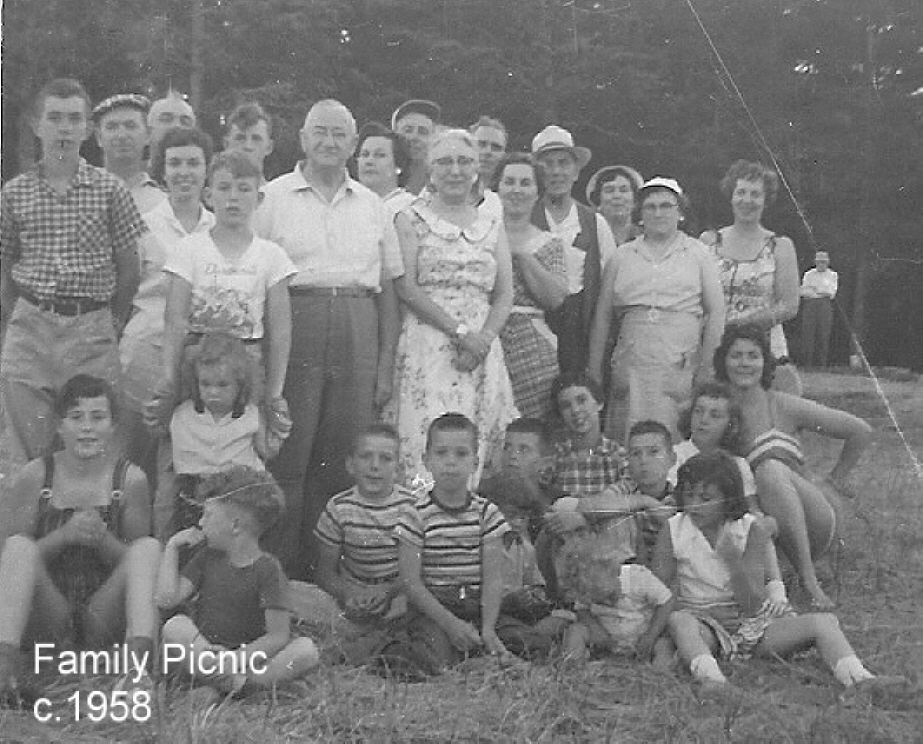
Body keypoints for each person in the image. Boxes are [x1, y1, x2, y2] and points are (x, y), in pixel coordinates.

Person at [254, 99, 403, 579]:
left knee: (342, 457)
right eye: (320, 132)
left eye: (340, 134)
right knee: (289, 454)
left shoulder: (373, 205)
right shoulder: (271, 197)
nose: (329, 142)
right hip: (296, 321)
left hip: (358, 324)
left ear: (354, 144)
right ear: (301, 138)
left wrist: (383, 365)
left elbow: (389, 291)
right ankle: (280, 575)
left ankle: (331, 576)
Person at [653, 452, 907, 697]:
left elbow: (751, 603)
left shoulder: (746, 528)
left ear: (728, 500)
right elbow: (660, 589)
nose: (695, 505)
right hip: (705, 626)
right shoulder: (675, 530)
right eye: (689, 496)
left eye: (706, 498)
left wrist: (735, 559)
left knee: (824, 622)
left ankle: (859, 679)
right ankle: (713, 681)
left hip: (750, 623)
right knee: (679, 621)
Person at [0, 78, 143, 465]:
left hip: (90, 328)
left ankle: (94, 525)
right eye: (55, 118)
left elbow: (130, 267)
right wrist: (14, 322)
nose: (64, 128)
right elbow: (5, 266)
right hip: (31, 328)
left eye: (74, 119)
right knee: (25, 449)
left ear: (86, 129)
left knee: (95, 443)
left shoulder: (110, 189)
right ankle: (28, 526)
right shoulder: (14, 193)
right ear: (37, 125)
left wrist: (110, 319)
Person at [0, 375, 160, 704]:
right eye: (76, 417)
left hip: (101, 614)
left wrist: (104, 541)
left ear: (114, 426)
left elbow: (136, 571)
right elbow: (15, 563)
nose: (87, 427)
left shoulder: (130, 480)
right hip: (50, 613)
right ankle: (5, 668)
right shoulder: (35, 475)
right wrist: (62, 536)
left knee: (147, 548)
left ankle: (137, 671)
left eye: (97, 417)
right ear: (59, 426)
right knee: (18, 545)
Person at [387, 128, 517, 486]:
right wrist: (459, 333)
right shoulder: (410, 218)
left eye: (464, 161)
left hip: (481, 349)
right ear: (430, 168)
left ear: (476, 168)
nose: (455, 170)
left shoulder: (491, 222)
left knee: (476, 440)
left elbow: (505, 293)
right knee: (427, 437)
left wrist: (483, 338)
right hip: (430, 344)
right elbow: (406, 286)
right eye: (445, 162)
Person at [714, 324, 869, 610]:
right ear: (723, 360)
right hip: (760, 532)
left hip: (811, 522)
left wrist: (835, 480)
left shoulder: (784, 405)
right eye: (736, 355)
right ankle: (776, 578)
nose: (745, 363)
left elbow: (859, 430)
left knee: (769, 470)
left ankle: (808, 580)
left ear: (766, 362)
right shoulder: (716, 410)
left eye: (753, 355)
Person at [156, 150, 296, 433]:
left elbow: (281, 331)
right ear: (208, 195)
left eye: (244, 189)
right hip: (197, 362)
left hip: (247, 362)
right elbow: (174, 320)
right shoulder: (189, 249)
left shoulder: (272, 256)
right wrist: (169, 380)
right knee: (189, 440)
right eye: (224, 188)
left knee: (241, 443)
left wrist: (274, 392)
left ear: (258, 199)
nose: (233, 197)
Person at [158, 467, 319, 694]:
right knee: (175, 626)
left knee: (306, 651)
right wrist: (172, 548)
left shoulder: (268, 570)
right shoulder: (206, 558)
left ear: (235, 525)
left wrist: (234, 660)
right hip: (206, 654)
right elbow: (167, 600)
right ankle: (241, 688)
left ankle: (239, 685)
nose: (201, 523)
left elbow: (277, 635)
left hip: (246, 659)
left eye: (208, 515)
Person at [588, 177, 725, 442]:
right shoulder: (622, 256)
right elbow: (603, 316)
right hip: (633, 360)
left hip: (678, 359)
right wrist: (594, 370)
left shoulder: (699, 254)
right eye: (650, 207)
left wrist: (707, 365)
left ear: (680, 213)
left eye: (666, 206)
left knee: (674, 432)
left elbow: (717, 312)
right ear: (640, 214)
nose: (658, 213)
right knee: (629, 433)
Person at [119, 127, 215, 487]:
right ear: (162, 169)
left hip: (200, 355)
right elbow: (125, 286)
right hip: (147, 351)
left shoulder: (218, 226)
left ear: (207, 169)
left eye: (193, 162)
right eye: (175, 163)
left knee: (189, 458)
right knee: (137, 455)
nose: (184, 172)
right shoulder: (142, 223)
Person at [390, 414, 512, 674]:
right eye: (442, 453)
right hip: (435, 609)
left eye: (461, 454)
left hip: (477, 605)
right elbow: (410, 582)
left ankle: (481, 656)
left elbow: (493, 579)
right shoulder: (415, 515)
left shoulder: (486, 513)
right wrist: (451, 624)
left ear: (475, 463)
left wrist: (488, 628)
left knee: (518, 639)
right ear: (427, 461)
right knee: (429, 655)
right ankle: (467, 664)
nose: (450, 463)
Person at [162, 333, 287, 539]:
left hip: (238, 492)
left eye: (222, 385)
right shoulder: (183, 414)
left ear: (240, 385)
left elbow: (267, 451)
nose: (213, 392)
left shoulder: (250, 415)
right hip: (195, 493)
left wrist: (276, 431)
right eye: (205, 384)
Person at [313, 424, 417, 663]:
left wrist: (389, 592)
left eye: (386, 458)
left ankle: (374, 641)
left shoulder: (413, 507)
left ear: (399, 468)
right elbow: (324, 573)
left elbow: (418, 570)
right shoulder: (339, 507)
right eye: (366, 456)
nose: (375, 466)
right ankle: (367, 638)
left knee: (421, 603)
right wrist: (348, 594)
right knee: (297, 595)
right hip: (352, 597)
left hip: (398, 593)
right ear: (350, 465)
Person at [700, 160, 801, 394]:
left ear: (766, 200)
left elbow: (789, 306)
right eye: (741, 192)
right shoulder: (708, 242)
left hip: (764, 350)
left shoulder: (780, 246)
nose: (747, 200)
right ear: (731, 196)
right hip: (714, 347)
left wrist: (741, 326)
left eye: (755, 194)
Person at [530, 125, 617, 376]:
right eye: (548, 164)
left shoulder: (595, 223)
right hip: (536, 324)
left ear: (576, 171)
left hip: (581, 328)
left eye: (563, 163)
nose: (556, 172)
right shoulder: (523, 218)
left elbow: (608, 290)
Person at [494, 153, 568, 419]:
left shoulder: (549, 243)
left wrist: (521, 255)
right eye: (509, 182)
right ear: (497, 187)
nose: (516, 190)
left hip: (533, 351)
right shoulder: (480, 234)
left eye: (525, 183)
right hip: (487, 341)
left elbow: (555, 298)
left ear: (538, 192)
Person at [560, 540, 674, 664]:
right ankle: (574, 665)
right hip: (608, 638)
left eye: (610, 596)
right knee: (576, 630)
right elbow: (582, 610)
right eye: (599, 602)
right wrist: (596, 630)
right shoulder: (586, 590)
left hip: (642, 635)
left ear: (616, 571)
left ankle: (658, 674)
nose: (608, 603)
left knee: (664, 645)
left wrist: (651, 636)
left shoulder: (638, 577)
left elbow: (666, 601)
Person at [669, 381, 757, 508]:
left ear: (731, 424)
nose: (703, 420)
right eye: (698, 411)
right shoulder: (673, 456)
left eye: (714, 415)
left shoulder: (739, 464)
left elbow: (751, 509)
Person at [92, 93, 166, 214]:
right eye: (112, 127)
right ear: (99, 137)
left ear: (148, 134)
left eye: (130, 126)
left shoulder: (163, 202)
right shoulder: (80, 197)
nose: (121, 135)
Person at [354, 121, 415, 217]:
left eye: (380, 155)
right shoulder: (346, 206)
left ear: (399, 164)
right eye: (364, 154)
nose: (369, 161)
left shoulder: (412, 209)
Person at [391, 99, 441, 196]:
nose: (414, 137)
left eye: (423, 132)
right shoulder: (378, 180)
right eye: (408, 130)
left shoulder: (441, 186)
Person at [585, 165, 643, 247]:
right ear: (598, 202)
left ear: (635, 201)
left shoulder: (647, 236)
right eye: (609, 191)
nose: (617, 196)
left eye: (623, 190)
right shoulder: (585, 238)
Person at [799, 251, 838, 368]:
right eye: (819, 262)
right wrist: (820, 289)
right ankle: (807, 365)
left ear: (827, 262)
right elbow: (804, 292)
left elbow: (831, 292)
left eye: (824, 262)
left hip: (824, 306)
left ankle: (822, 365)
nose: (821, 264)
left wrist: (814, 288)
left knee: (823, 335)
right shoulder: (808, 274)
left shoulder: (832, 275)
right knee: (808, 334)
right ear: (815, 262)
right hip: (810, 305)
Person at [223, 101, 274, 180]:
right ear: (226, 144)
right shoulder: (212, 192)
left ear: (269, 147)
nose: (248, 146)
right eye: (240, 138)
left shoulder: (279, 192)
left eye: (256, 139)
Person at [469, 115, 507, 218]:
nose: (488, 152)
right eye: (481, 144)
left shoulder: (508, 199)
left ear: (503, 155)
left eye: (496, 147)